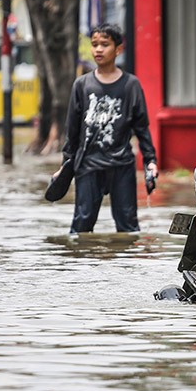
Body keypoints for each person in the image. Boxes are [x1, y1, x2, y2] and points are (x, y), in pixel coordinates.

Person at [57, 23, 158, 233]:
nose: (98, 50)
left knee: (129, 227)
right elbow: (72, 131)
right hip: (88, 164)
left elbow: (142, 127)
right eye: (94, 45)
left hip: (121, 165)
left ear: (118, 49)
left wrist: (151, 161)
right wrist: (66, 164)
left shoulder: (131, 85)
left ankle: (127, 266)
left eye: (105, 44)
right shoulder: (82, 85)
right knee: (81, 227)